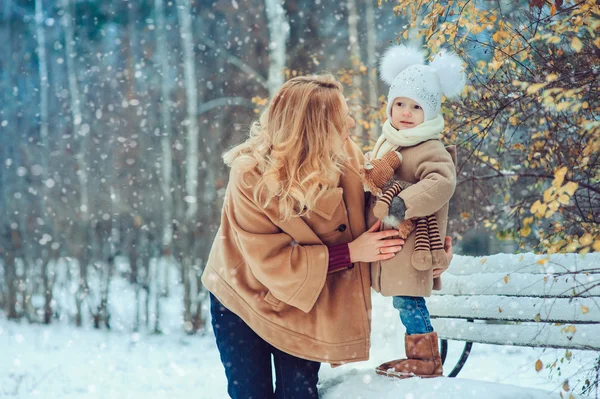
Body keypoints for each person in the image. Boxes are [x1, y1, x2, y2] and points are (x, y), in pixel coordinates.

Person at [201, 74, 406, 398]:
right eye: (342, 117)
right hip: (243, 296)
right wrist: (350, 253)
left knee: (299, 394)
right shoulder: (250, 175)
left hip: (305, 299)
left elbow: (369, 219)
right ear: (314, 127)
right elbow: (272, 260)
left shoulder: (346, 157)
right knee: (251, 394)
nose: (351, 122)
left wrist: (419, 240)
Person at [365, 45, 465, 379]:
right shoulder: (390, 143)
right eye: (400, 104)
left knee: (409, 301)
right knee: (403, 301)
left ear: (431, 111)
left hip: (413, 247)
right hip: (392, 246)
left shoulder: (429, 148)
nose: (406, 112)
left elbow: (442, 183)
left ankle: (425, 359)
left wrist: (399, 205)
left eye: (417, 106)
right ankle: (418, 356)